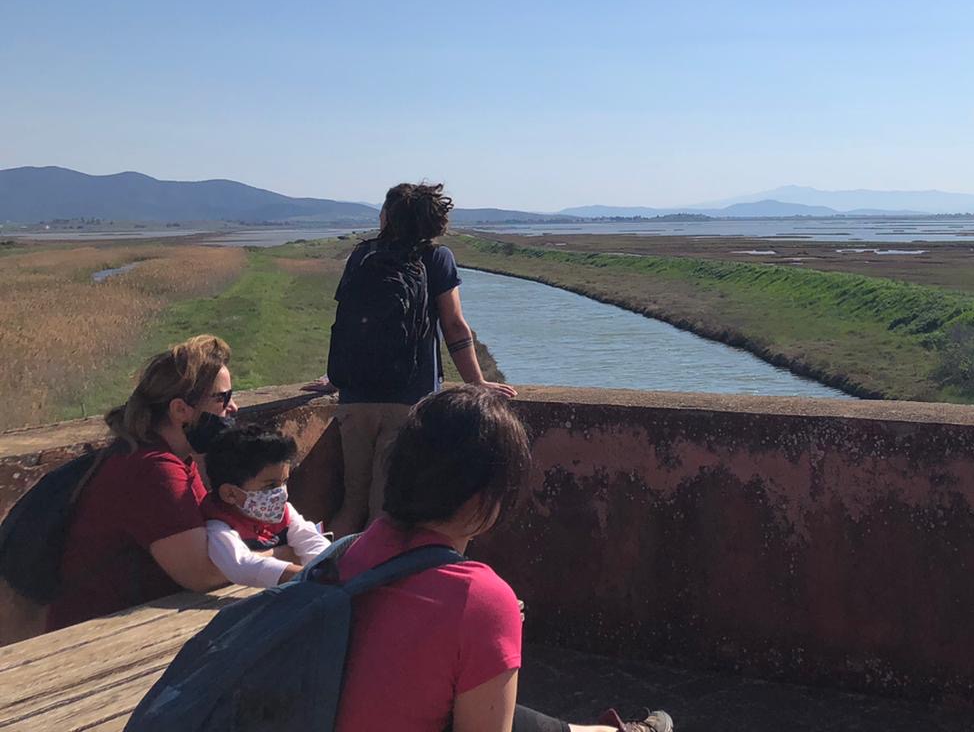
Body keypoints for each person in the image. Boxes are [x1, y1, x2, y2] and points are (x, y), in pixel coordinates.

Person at [335, 387, 671, 732]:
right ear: (485, 495)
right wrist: (493, 616)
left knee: (514, 715)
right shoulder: (478, 598)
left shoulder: (349, 552)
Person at [328, 181, 517, 537]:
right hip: (409, 399)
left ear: (387, 217)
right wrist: (477, 383)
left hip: (355, 399)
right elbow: (455, 327)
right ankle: (370, 587)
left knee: (351, 504)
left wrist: (336, 377)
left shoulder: (362, 255)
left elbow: (346, 322)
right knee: (384, 510)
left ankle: (329, 579)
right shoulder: (436, 258)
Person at [47, 335, 238, 630]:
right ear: (180, 410)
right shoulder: (154, 470)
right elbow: (202, 573)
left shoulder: (170, 456)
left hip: (126, 621)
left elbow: (212, 535)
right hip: (98, 637)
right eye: (222, 399)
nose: (233, 408)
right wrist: (283, 556)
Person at [201, 423, 331, 588]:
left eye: (284, 482)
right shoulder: (217, 525)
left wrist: (331, 567)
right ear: (231, 494)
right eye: (270, 486)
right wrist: (309, 576)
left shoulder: (284, 513)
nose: (282, 493)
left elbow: (311, 541)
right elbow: (242, 565)